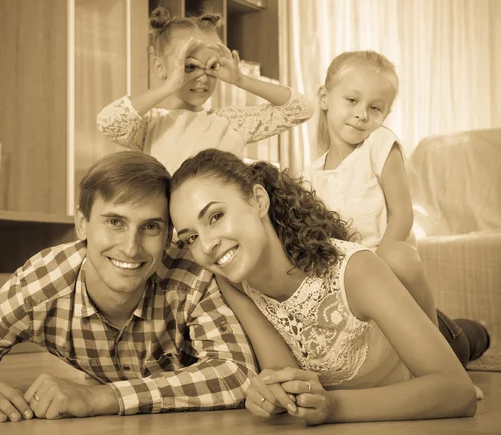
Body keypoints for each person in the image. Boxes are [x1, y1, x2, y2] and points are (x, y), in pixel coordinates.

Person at [0, 151, 257, 423]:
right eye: (114, 222)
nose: (131, 248)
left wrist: (100, 397)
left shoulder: (190, 273)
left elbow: (237, 373)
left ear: (168, 235)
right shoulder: (41, 285)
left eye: (150, 227)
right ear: (82, 224)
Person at [168, 148, 486, 425]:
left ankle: (474, 333)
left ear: (258, 200)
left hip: (424, 342)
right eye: (191, 237)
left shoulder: (356, 270)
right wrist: (273, 392)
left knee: (467, 340)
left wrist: (333, 406)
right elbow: (285, 373)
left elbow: (457, 392)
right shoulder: (234, 283)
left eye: (216, 216)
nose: (206, 246)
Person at [303, 50, 489, 363]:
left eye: (374, 108)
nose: (362, 114)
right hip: (353, 281)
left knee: (404, 260)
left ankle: (449, 351)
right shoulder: (311, 173)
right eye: (352, 100)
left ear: (385, 115)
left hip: (392, 274)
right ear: (325, 98)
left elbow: (403, 214)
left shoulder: (379, 145)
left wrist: (381, 260)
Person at [96, 7, 313, 174]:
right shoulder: (149, 125)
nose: (202, 77)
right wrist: (169, 85)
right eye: (189, 66)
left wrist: (242, 80)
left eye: (212, 66)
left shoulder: (232, 123)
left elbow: (301, 109)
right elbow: (108, 122)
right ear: (160, 67)